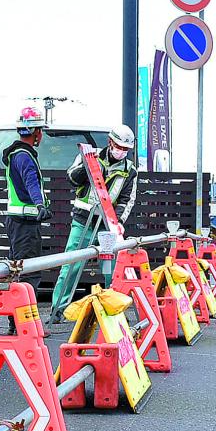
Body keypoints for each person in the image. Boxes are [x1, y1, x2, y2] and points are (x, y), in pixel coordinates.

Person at [50, 124, 138, 315]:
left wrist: (119, 222)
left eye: (125, 149)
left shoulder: (130, 170)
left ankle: (113, 309)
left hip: (108, 225)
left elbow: (127, 199)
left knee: (112, 268)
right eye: (119, 146)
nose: (121, 151)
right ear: (110, 142)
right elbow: (72, 178)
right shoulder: (90, 155)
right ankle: (58, 309)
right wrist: (89, 166)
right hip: (83, 220)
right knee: (71, 264)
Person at [3, 106, 52, 333]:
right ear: (36, 132)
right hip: (25, 223)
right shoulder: (24, 157)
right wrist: (40, 205)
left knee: (19, 271)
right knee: (28, 273)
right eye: (40, 130)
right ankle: (23, 324)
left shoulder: (17, 154)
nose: (41, 134)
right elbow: (31, 182)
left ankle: (21, 322)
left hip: (18, 222)